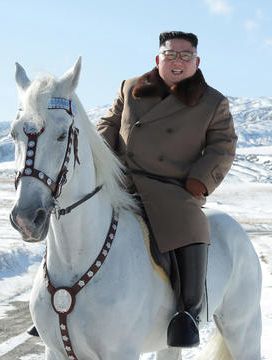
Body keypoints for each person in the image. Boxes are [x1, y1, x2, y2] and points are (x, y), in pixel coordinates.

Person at [96, 31, 237, 347]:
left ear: (196, 61)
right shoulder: (130, 87)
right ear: (158, 58)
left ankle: (187, 314)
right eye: (171, 54)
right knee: (74, 210)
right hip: (121, 181)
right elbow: (107, 124)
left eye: (186, 56)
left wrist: (198, 181)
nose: (178, 61)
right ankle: (56, 300)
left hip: (170, 187)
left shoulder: (212, 102)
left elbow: (223, 146)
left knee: (190, 224)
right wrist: (100, 157)